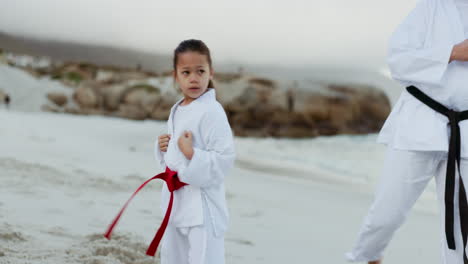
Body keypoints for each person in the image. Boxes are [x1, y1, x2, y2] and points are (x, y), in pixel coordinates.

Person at [346, 0, 468, 263]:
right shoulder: (430, 8)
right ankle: (365, 257)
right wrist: (454, 52)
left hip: (466, 133)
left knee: (461, 230)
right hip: (419, 123)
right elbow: (398, 62)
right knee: (386, 215)